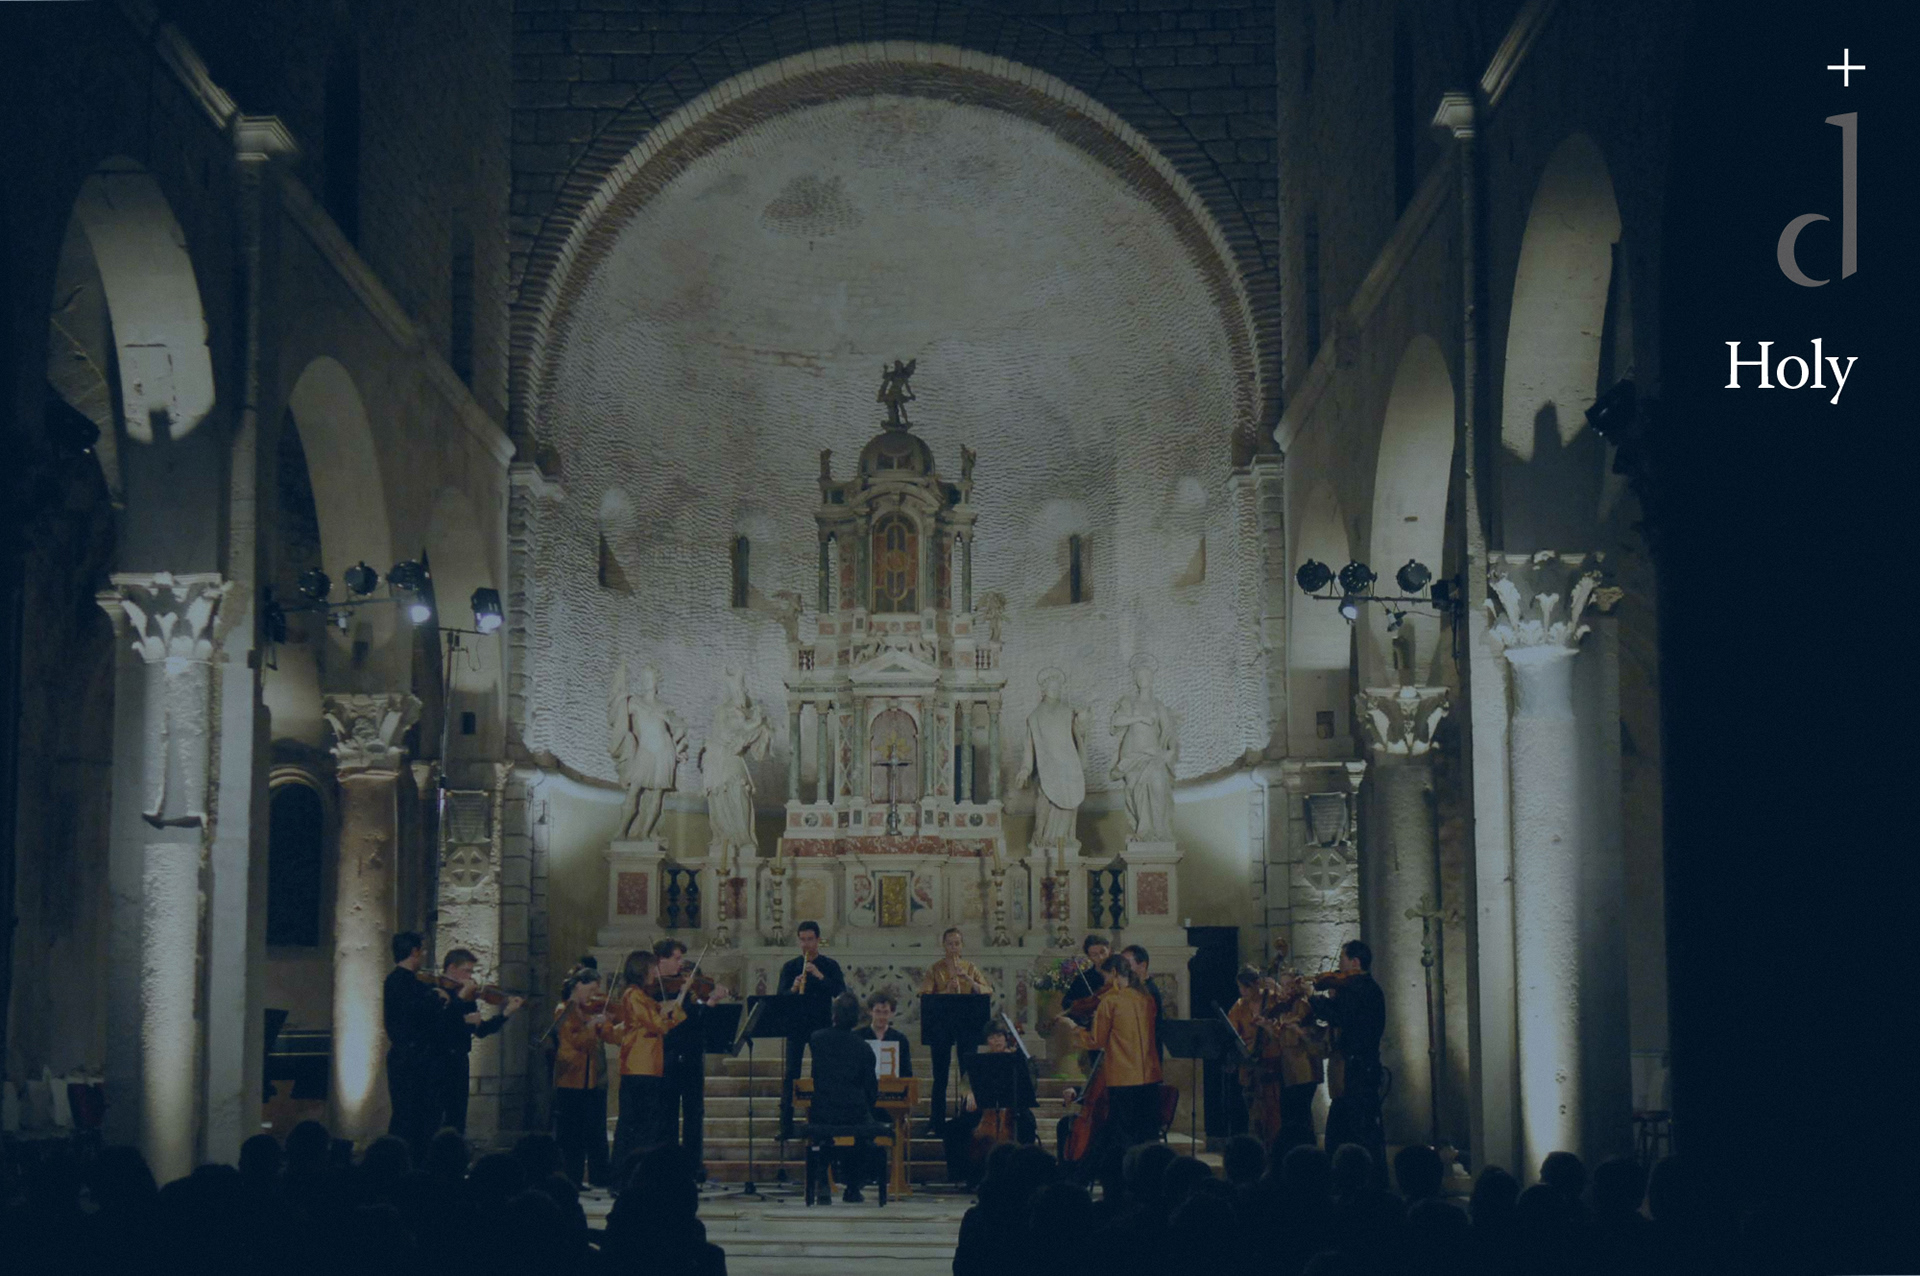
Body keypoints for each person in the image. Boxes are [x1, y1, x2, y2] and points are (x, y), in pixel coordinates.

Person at [1058, 954, 1163, 1183]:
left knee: (1119, 1137)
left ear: (1114, 973)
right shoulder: (1146, 998)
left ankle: (1092, 1179)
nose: (1104, 982)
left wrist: (1073, 1028)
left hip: (1123, 1078)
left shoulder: (1111, 1001)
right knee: (1145, 1135)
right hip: (1150, 1076)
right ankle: (1146, 1183)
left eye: (1105, 977)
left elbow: (1095, 1040)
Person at [652, 937, 729, 1181]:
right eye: (677, 959)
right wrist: (691, 997)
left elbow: (697, 1022)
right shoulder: (656, 989)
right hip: (668, 1055)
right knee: (668, 1114)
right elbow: (671, 1021)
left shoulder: (690, 992)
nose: (681, 965)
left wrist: (710, 1002)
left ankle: (693, 1166)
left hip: (692, 1056)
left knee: (694, 1114)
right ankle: (668, 1165)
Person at [606, 948, 687, 1177]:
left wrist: (673, 1006)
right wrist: (677, 1006)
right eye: (652, 968)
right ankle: (623, 1176)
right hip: (639, 1066)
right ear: (642, 969)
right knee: (635, 1126)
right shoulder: (633, 995)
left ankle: (636, 1175)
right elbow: (658, 1025)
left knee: (646, 1125)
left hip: (648, 1066)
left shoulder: (642, 996)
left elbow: (659, 1020)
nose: (655, 972)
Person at [428, 947, 525, 1136]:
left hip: (459, 1060)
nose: (470, 977)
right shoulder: (435, 992)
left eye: (471, 972)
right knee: (434, 1115)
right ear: (451, 968)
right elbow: (437, 1027)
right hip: (438, 1061)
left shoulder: (468, 997)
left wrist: (506, 1013)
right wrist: (461, 1010)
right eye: (466, 971)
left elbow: (481, 1031)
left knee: (457, 1116)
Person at [1312, 940, 1386, 1175]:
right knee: (1343, 1129)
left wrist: (1314, 999)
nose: (1339, 966)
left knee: (1357, 1130)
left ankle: (1357, 1176)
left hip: (1359, 1070)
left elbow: (1341, 1016)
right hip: (1356, 1068)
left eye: (1342, 959)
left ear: (1355, 962)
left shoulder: (1362, 989)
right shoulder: (1359, 988)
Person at [805, 992, 884, 1202]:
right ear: (857, 1018)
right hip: (853, 1111)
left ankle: (823, 1182)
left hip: (823, 1110)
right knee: (864, 1134)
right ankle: (853, 1186)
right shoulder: (864, 1048)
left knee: (823, 1134)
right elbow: (871, 1089)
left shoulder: (817, 1039)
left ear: (834, 1015)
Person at [942, 1022, 1038, 1185]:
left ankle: (1022, 1174)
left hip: (1013, 1109)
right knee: (952, 1129)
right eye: (992, 1037)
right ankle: (965, 1174)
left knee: (1027, 1125)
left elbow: (1031, 1084)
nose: (996, 1040)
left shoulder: (1017, 1059)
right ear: (987, 1041)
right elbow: (965, 1083)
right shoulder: (980, 1060)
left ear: (1006, 1038)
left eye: (999, 1036)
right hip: (985, 1110)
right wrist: (969, 1093)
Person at [919, 925, 993, 1133]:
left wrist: (968, 980)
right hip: (940, 1026)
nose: (953, 948)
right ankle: (937, 1121)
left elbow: (987, 990)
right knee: (940, 1075)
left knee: (967, 1073)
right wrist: (945, 990)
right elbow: (925, 995)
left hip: (967, 1025)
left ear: (961, 946)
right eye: (950, 944)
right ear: (944, 945)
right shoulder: (935, 969)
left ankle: (967, 1119)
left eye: (957, 944)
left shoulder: (970, 967)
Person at [777, 920, 845, 1139]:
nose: (806, 944)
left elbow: (840, 992)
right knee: (791, 1074)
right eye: (802, 940)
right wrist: (793, 988)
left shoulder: (829, 965)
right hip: (796, 1025)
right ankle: (785, 1126)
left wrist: (819, 975)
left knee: (821, 1073)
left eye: (810, 939)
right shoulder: (790, 967)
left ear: (818, 940)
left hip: (821, 1025)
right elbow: (780, 998)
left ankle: (820, 1122)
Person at [383, 930, 448, 1157]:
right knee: (410, 1115)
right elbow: (414, 1014)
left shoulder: (402, 982)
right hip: (411, 1060)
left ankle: (406, 1159)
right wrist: (438, 999)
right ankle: (405, 1160)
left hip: (411, 1057)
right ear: (414, 951)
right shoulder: (402, 982)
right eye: (423, 950)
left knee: (414, 1116)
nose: (424, 955)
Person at [550, 965, 612, 1189]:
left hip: (588, 1079)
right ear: (578, 985)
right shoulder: (564, 1010)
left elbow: (598, 1039)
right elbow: (578, 1042)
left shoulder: (585, 1011)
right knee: (571, 1135)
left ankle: (587, 1177)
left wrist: (606, 1023)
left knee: (587, 1131)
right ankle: (570, 1178)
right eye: (591, 989)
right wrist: (592, 1025)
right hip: (570, 1079)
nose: (594, 995)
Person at [1228, 965, 1288, 1145]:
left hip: (1271, 1061)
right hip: (1249, 1065)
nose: (1243, 992)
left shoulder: (1273, 1000)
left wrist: (1268, 1027)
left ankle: (1274, 1145)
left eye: (1246, 987)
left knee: (1274, 1111)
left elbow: (1283, 1031)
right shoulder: (1239, 1006)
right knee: (1253, 1113)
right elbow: (1232, 1035)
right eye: (1240, 987)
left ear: (1256, 984)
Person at [854, 990, 913, 1080]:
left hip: (892, 1086)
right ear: (870, 1011)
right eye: (877, 1012)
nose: (881, 1017)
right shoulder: (858, 1037)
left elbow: (906, 1072)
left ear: (892, 1013)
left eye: (885, 1012)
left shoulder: (900, 1039)